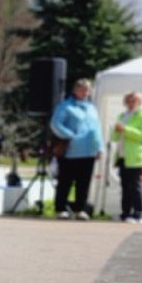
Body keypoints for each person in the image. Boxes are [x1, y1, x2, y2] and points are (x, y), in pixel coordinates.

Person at [48, 78, 101, 219]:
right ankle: (60, 208)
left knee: (84, 182)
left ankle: (79, 209)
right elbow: (55, 124)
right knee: (66, 181)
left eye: (88, 90)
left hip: (89, 151)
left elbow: (96, 129)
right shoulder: (65, 106)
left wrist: (99, 147)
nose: (86, 92)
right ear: (75, 90)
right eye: (83, 89)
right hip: (70, 151)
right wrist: (70, 135)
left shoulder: (92, 108)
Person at [114, 92, 142, 223]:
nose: (130, 104)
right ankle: (125, 213)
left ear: (139, 102)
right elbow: (114, 137)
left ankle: (139, 214)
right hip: (122, 155)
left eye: (133, 101)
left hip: (136, 156)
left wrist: (125, 129)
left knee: (135, 185)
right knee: (124, 185)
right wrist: (116, 130)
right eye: (128, 101)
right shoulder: (122, 115)